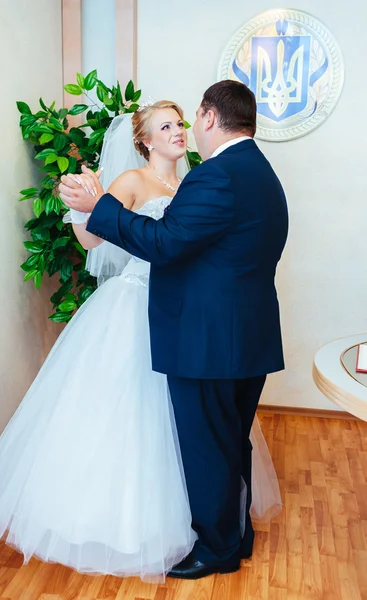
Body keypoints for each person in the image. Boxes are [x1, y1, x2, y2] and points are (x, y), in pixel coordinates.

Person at [59, 80, 288, 580]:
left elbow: (165, 244)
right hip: (243, 333)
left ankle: (218, 548)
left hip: (207, 336)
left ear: (208, 117)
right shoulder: (261, 173)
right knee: (229, 439)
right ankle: (235, 533)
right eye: (166, 125)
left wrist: (102, 204)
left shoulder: (213, 177)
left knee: (210, 443)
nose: (183, 131)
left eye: (184, 121)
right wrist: (91, 205)